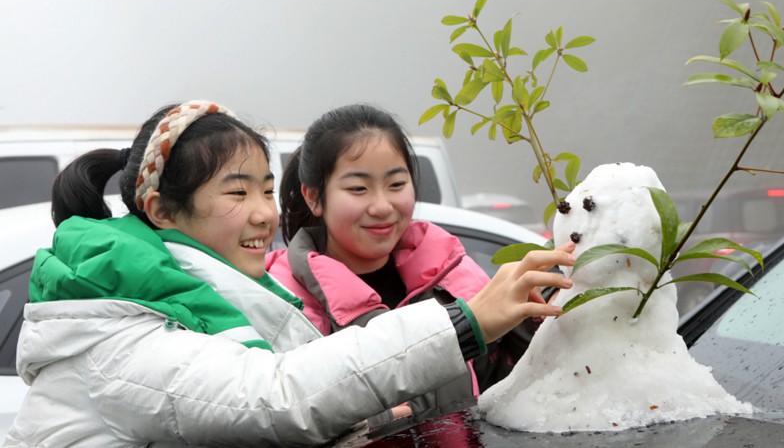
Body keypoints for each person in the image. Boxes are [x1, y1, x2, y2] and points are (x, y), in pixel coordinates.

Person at [4, 100, 574, 448]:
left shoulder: (235, 302)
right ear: (161, 211)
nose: (264, 212)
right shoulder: (123, 332)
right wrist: (463, 323)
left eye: (261, 187)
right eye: (236, 191)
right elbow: (278, 397)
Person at [266, 103, 557, 427]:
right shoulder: (280, 303)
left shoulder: (454, 276)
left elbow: (514, 391)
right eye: (358, 188)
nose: (382, 206)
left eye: (396, 184)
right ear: (314, 197)